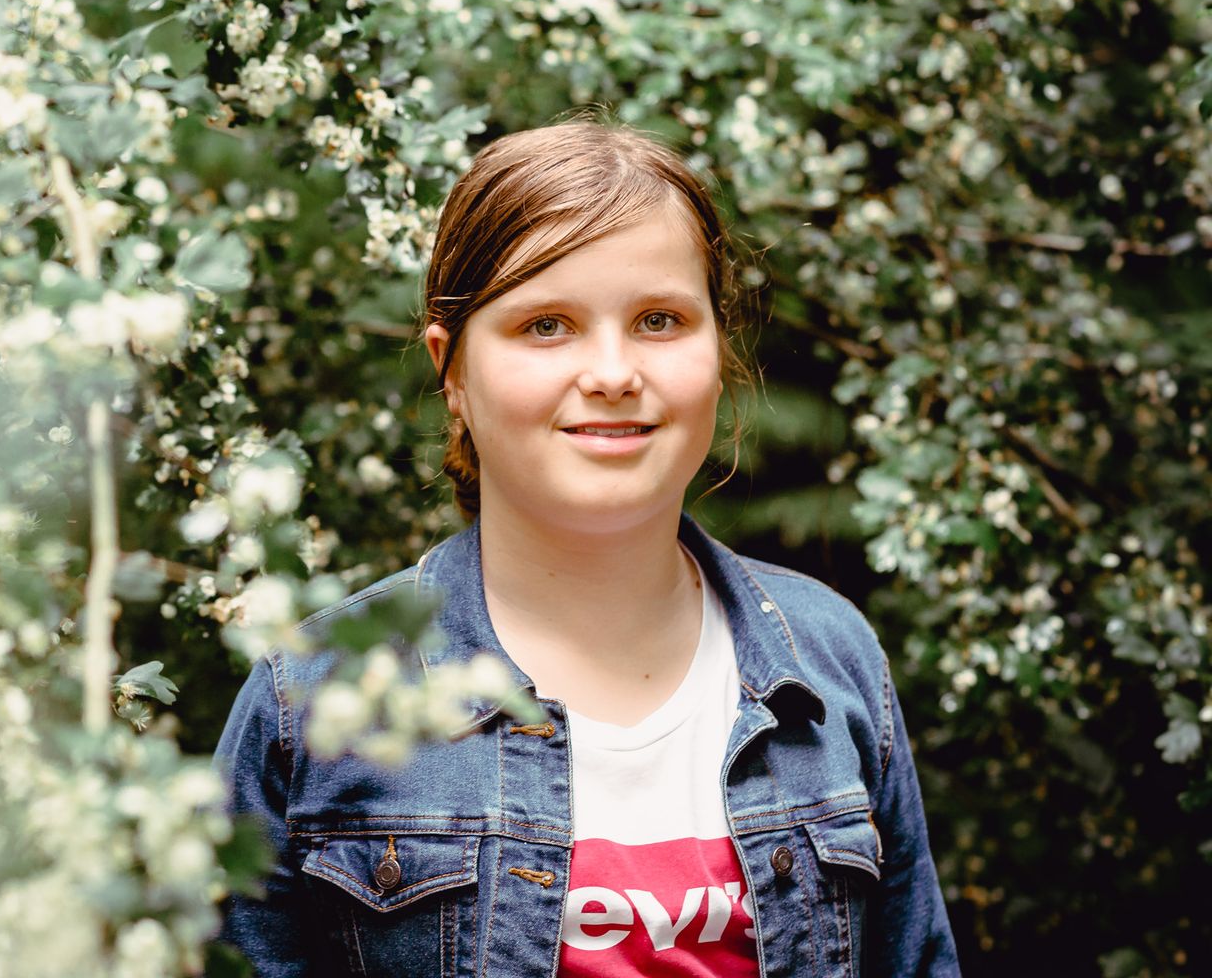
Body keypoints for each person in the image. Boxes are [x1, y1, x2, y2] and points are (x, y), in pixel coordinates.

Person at [210, 112, 960, 977]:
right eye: (546, 325)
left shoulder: (830, 660)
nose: (612, 373)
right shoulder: (312, 699)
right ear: (453, 370)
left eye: (659, 320)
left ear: (718, 349)